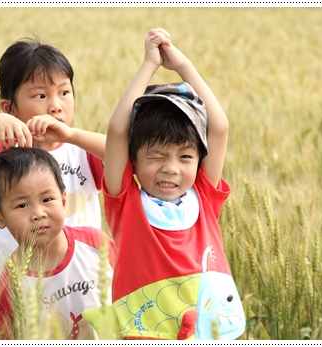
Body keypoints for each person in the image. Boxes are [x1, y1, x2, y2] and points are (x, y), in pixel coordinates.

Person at [101, 28, 245, 340]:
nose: (171, 169)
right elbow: (116, 129)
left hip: (210, 330)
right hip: (146, 332)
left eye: (184, 157)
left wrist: (183, 66)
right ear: (134, 161)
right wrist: (148, 65)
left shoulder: (204, 194)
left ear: (198, 160)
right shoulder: (125, 203)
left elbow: (219, 127)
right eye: (156, 156)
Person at [0, 36, 105, 281]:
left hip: (80, 281)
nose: (56, 105)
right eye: (40, 96)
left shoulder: (84, 151)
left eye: (64, 92)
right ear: (9, 108)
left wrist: (73, 135)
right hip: (16, 286)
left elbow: (126, 154)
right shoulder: (4, 154)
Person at [0, 147, 115, 339]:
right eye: (22, 205)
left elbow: (132, 287)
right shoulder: (10, 285)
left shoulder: (95, 243)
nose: (38, 213)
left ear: (63, 200)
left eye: (47, 199)